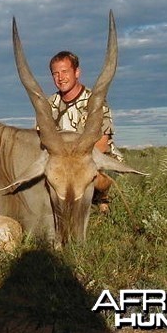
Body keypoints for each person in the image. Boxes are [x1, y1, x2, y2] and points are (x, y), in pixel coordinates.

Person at [48, 50, 123, 213]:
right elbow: (40, 139)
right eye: (55, 73)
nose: (60, 78)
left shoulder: (95, 100)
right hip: (62, 163)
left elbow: (102, 144)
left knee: (99, 179)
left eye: (65, 72)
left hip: (93, 159)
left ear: (77, 72)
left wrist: (72, 165)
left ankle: (101, 199)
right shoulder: (49, 104)